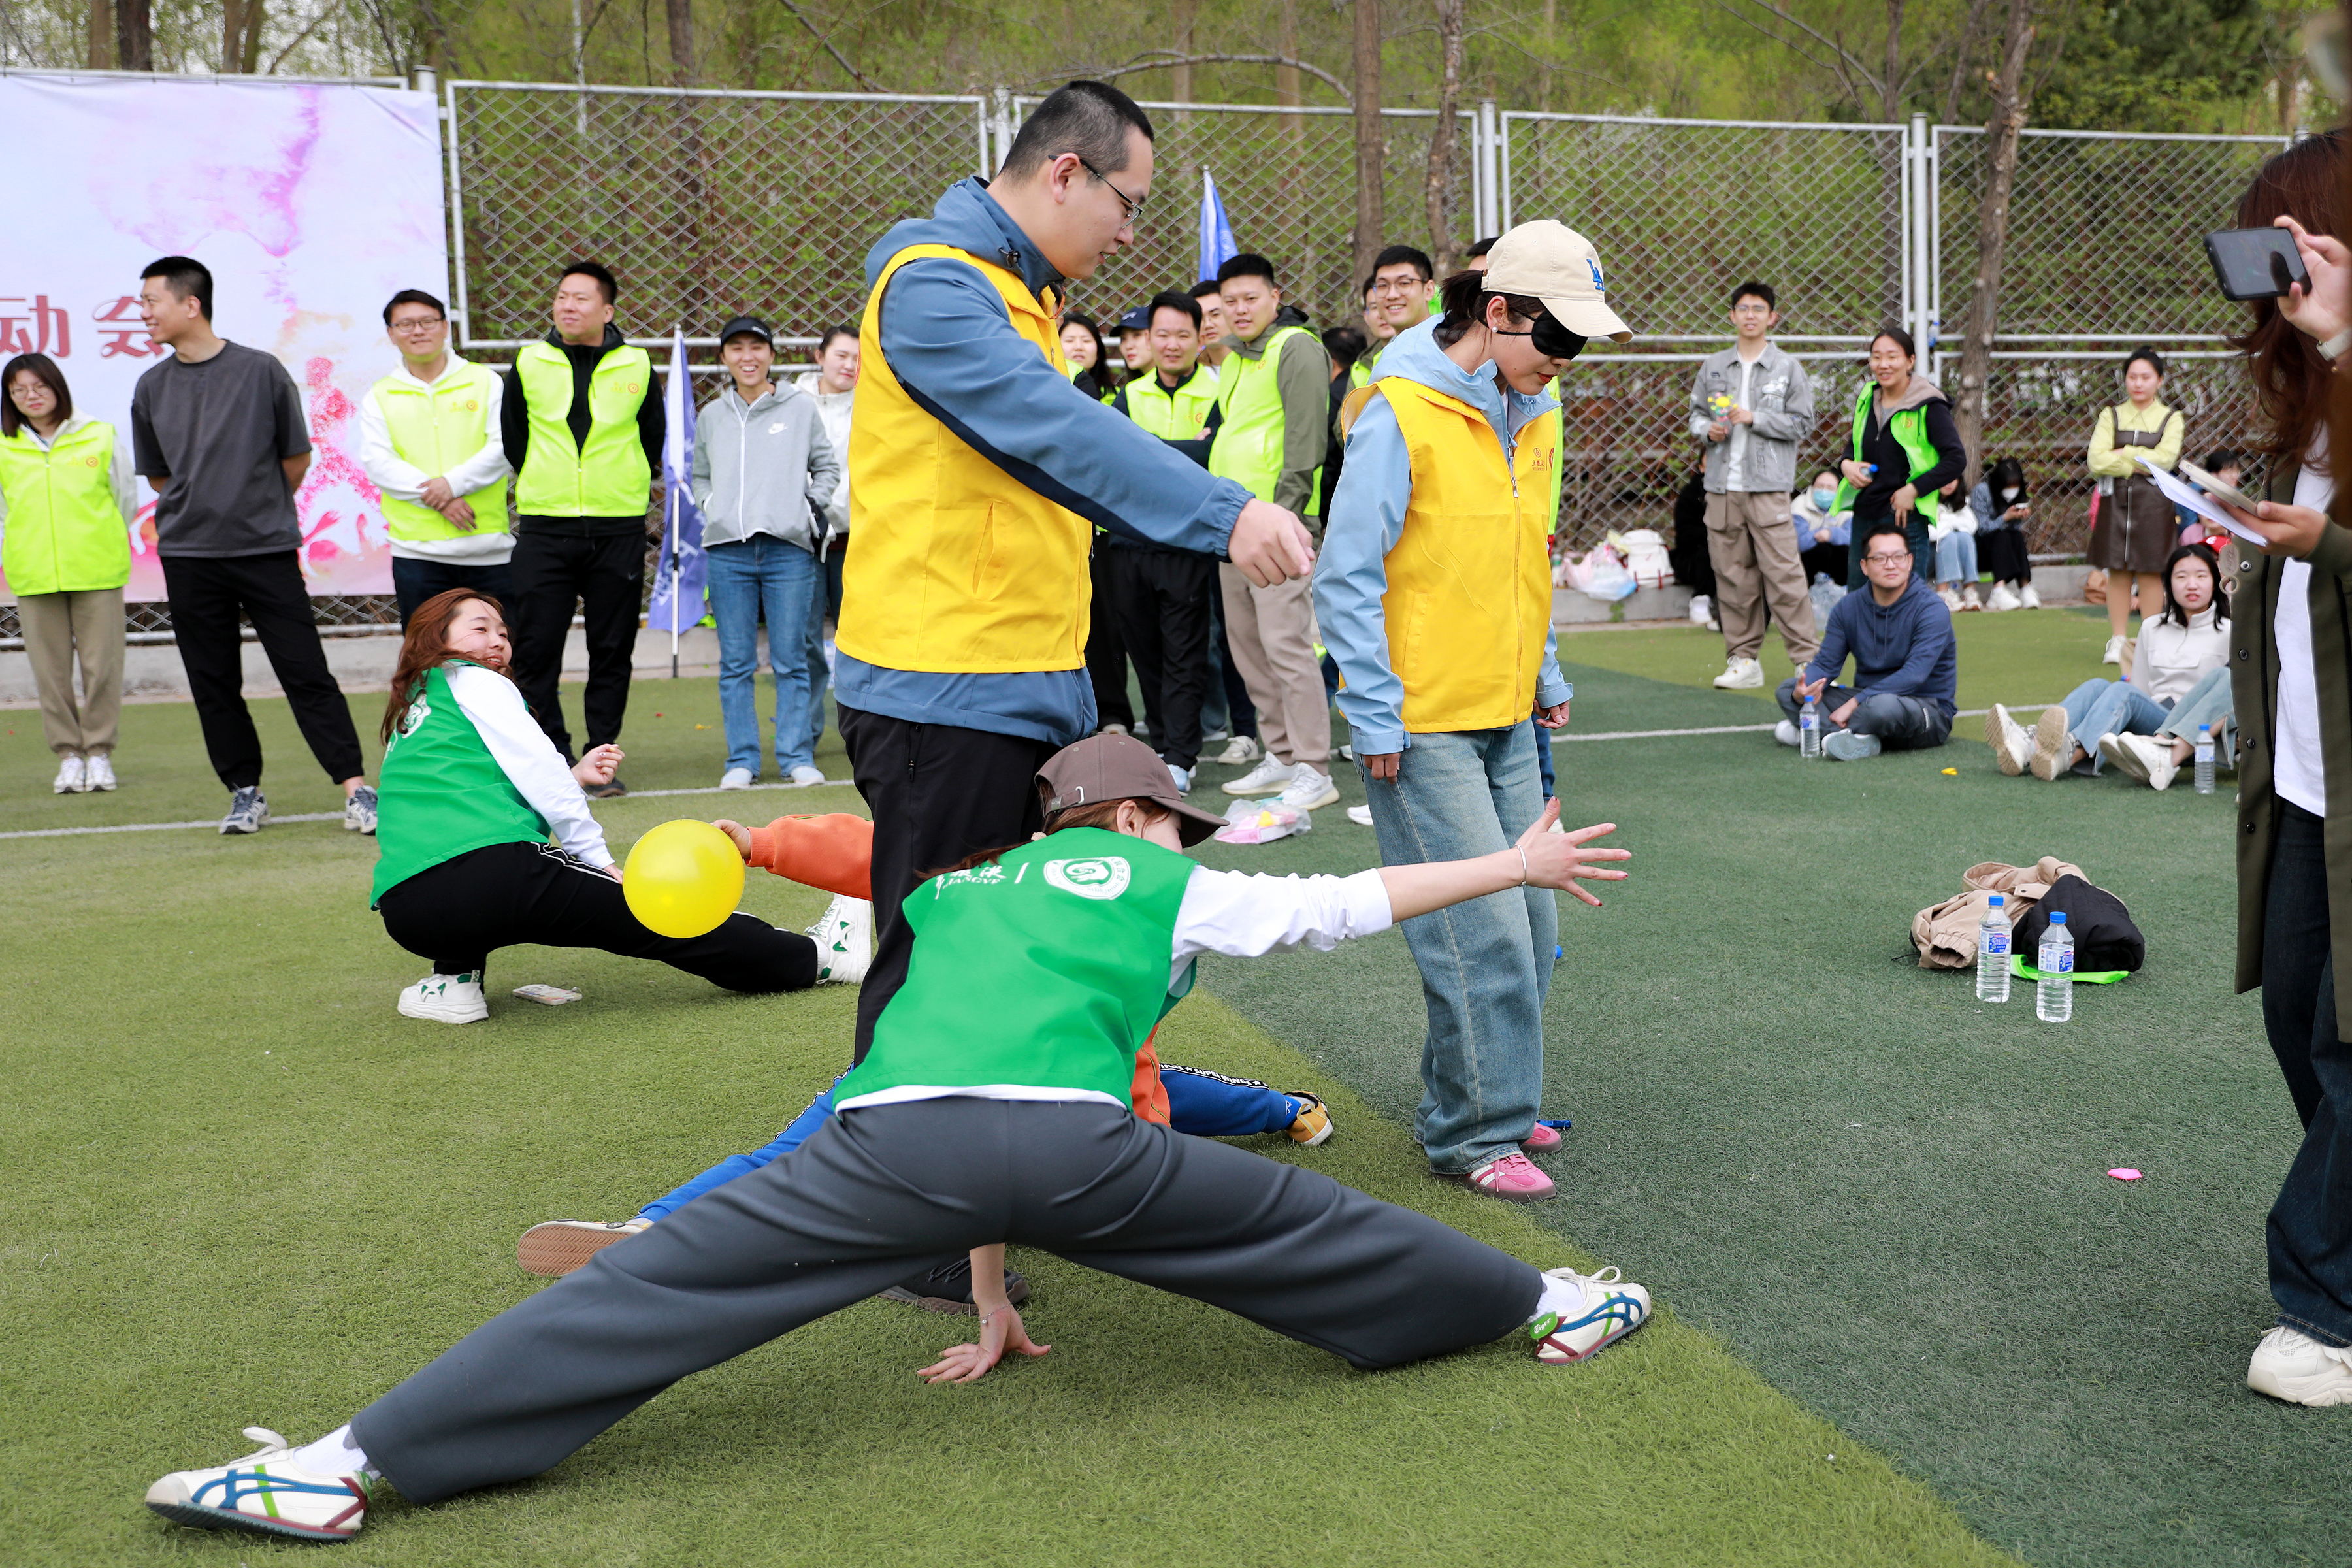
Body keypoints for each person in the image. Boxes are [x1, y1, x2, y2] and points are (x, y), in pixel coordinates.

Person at [141, 732, 1651, 1546]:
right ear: (1139, 821)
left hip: (885, 1148)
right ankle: (1546, 1302)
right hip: (1079, 1150)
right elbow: (1340, 903)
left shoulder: (961, 887)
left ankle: (345, 1463)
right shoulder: (1155, 880)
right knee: (1311, 1229)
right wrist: (1511, 862)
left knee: (645, 1295)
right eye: (1171, 820)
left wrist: (984, 1287)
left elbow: (958, 1109)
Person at [830, 80, 1314, 1124]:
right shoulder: (932, 286)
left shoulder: (1022, 295)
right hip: (942, 692)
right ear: (1064, 173)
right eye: (1126, 202)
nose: (1130, 233)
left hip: (1020, 687)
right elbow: (1053, 428)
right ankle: (899, 1185)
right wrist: (1224, 512)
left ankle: (1022, 1162)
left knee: (1015, 949)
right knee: (933, 968)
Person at [512, 807, 1335, 1287]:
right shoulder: (1094, 882)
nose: (1183, 851)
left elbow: (882, 853)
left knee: (804, 1146)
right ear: (1127, 819)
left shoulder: (1015, 868)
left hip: (952, 1071)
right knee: (1113, 1101)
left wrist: (764, 842)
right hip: (996, 1082)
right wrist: (761, 843)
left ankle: (654, 1226)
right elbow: (879, 852)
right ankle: (653, 1230)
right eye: (1174, 829)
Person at [1320, 220, 1626, 1200]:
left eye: (1581, 342)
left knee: (1531, 924)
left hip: (1508, 712)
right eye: (1558, 337)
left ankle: (1490, 1092)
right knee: (1477, 932)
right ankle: (1471, 1134)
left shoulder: (1533, 407)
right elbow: (1346, 572)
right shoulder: (1398, 410)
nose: (1566, 360)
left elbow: (1524, 556)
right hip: (1421, 720)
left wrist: (1546, 671)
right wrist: (1374, 712)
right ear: (1497, 313)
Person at [367, 590, 833, 1026]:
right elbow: (541, 773)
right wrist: (596, 858)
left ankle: (454, 982)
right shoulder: (478, 682)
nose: (497, 641)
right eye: (480, 629)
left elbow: (477, 789)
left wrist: (574, 776)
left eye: (503, 633)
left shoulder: (414, 707)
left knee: (467, 877)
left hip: (408, 911)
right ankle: (813, 958)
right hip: (491, 875)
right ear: (435, 637)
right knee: (653, 913)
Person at [2208, 136, 2352, 1407]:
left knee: (2351, 1047)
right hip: (2307, 790)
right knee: (2296, 1018)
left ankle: (2323, 1305)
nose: (2284, 273)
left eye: (2301, 240)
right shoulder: (2307, 418)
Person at [129, 255, 376, 837]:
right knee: (213, 680)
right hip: (190, 556)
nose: (144, 313)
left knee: (305, 671)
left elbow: (296, 458)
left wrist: (253, 504)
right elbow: (161, 476)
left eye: (152, 301)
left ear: (191, 304)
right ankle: (244, 792)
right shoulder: (151, 386)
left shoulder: (261, 371)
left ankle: (356, 789)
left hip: (265, 551)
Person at [500, 260, 663, 796]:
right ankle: (554, 759)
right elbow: (515, 439)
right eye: (561, 296)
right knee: (535, 651)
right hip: (546, 529)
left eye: (581, 298)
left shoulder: (638, 364)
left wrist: (616, 485)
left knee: (611, 649)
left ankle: (601, 758)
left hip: (617, 528)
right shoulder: (529, 361)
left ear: (607, 310)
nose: (567, 306)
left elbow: (652, 438)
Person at [1209, 252, 1337, 812]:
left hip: (1277, 529)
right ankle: (1281, 755)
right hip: (1232, 528)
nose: (1240, 310)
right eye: (1229, 302)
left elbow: (1306, 443)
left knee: (1287, 647)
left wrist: (1285, 519)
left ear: (1275, 298)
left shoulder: (1296, 347)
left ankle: (1314, 767)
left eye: (1250, 299)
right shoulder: (1235, 358)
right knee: (1249, 648)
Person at [693, 315, 840, 791]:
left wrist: (809, 508)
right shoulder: (712, 416)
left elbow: (826, 467)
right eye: (736, 348)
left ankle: (797, 756)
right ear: (724, 358)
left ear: (772, 355)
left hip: (788, 551)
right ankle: (742, 760)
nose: (748, 357)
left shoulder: (799, 408)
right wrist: (711, 507)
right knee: (736, 663)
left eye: (756, 347)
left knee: (793, 658)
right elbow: (700, 476)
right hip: (727, 553)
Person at [1105, 289, 1225, 789]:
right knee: (1145, 653)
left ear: (1200, 339)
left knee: (1184, 654)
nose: (1172, 344)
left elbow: (1216, 458)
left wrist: (1150, 450)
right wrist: (1183, 452)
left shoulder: (1219, 393)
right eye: (1163, 335)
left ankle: (1181, 756)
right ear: (1149, 340)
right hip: (1129, 543)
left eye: (1182, 335)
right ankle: (1161, 745)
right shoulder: (1129, 396)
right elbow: (1118, 459)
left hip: (1187, 544)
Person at [1, 352, 133, 794]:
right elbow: (4, 512)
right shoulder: (5, 446)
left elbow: (124, 500)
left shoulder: (99, 435)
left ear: (57, 387)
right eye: (19, 390)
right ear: (9, 398)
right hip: (34, 573)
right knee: (50, 673)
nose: (31, 396)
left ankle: (99, 753)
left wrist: (97, 540)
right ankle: (69, 756)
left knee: (102, 669)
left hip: (97, 571)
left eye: (39, 386)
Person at [1986, 542, 2229, 782]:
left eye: (2201, 576)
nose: (2192, 585)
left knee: (2123, 692)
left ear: (2215, 582)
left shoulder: (2230, 632)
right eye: (2181, 577)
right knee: (2098, 686)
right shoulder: (2151, 627)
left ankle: (2070, 754)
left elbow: (2228, 698)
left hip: (2190, 730)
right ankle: (2031, 746)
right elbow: (2140, 687)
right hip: (2151, 718)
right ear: (2168, 584)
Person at [1687, 280, 1820, 689]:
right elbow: (1695, 416)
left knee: (1785, 576)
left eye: (1758, 309)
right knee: (1732, 578)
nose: (1750, 315)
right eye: (1743, 308)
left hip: (1768, 487)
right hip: (1721, 487)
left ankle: (1808, 662)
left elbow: (1804, 423)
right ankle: (1743, 660)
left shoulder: (1788, 368)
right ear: (1732, 316)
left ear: (1772, 317)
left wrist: (1754, 418)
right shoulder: (1713, 366)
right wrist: (1708, 430)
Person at [357, 289, 515, 627]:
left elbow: (503, 446)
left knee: (496, 647)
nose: (418, 331)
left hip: (487, 549)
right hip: (417, 553)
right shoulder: (380, 395)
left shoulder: (485, 382)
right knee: (426, 652)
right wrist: (442, 497)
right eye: (406, 324)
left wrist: (453, 484)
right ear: (391, 334)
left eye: (428, 321)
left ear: (445, 327)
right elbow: (379, 462)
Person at [1775, 518, 1956, 760]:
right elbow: (1826, 664)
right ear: (1864, 566)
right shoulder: (1848, 607)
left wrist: (1855, 703)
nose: (1890, 565)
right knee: (1787, 690)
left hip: (1925, 708)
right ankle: (1843, 739)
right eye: (1880, 559)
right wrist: (1804, 689)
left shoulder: (1932, 609)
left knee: (1881, 708)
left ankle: (1816, 732)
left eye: (1898, 557)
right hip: (1866, 699)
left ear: (1910, 561)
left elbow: (1914, 675)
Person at [1828, 327, 1965, 590]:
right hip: (1865, 513)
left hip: (1905, 518)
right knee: (1859, 598)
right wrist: (1846, 465)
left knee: (1906, 600)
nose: (1883, 364)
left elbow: (1956, 459)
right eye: (1876, 357)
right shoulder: (1868, 396)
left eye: (1892, 357)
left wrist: (1913, 490)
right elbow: (1853, 447)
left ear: (1910, 361)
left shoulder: (1929, 404)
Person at [2086, 346, 2185, 665]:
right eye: (2132, 377)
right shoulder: (2111, 415)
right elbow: (2096, 460)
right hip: (2115, 501)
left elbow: (2165, 460)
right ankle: (2117, 640)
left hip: (2154, 503)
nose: (2138, 383)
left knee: (2150, 571)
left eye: (2146, 377)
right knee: (2117, 569)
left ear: (2160, 380)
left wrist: (2123, 452)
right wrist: (2141, 460)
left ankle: (2149, 640)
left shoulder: (2171, 418)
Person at [794, 323, 858, 755]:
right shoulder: (790, 402)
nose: (850, 365)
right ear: (819, 357)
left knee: (860, 641)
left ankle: (864, 733)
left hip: (858, 539)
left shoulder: (876, 403)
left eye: (858, 358)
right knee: (804, 641)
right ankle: (804, 735)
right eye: (841, 355)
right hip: (802, 539)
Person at [1968, 455, 2039, 610]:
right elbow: (1981, 528)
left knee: (2016, 536)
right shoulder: (1982, 491)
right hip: (1980, 549)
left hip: (2004, 550)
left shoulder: (2017, 495)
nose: (2011, 489)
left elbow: (2013, 529)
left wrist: (2018, 517)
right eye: (2008, 485)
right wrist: (2005, 518)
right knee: (2001, 534)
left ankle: (2025, 588)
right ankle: (1998, 591)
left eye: (2015, 485)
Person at [1364, 244, 1437, 373]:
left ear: (1429, 290)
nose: (1392, 295)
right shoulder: (1380, 358)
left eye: (1404, 283)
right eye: (1383, 285)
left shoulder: (1451, 349)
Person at [1789, 468, 1852, 587]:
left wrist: (1831, 534)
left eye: (1830, 488)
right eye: (1820, 486)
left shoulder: (1846, 507)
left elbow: (1853, 537)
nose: (1824, 491)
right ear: (1812, 488)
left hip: (1837, 562)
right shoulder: (1800, 506)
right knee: (1821, 550)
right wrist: (1820, 534)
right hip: (1806, 560)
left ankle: (1842, 590)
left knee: (1844, 550)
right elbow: (1799, 543)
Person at [1060, 309, 1118, 400]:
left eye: (1086, 341)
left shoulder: (1118, 398)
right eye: (1070, 341)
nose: (1079, 347)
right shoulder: (1052, 389)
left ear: (1098, 350)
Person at [1191, 279, 1232, 370]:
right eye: (1200, 318)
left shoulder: (1259, 363)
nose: (1208, 325)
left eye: (1215, 315)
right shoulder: (1189, 373)